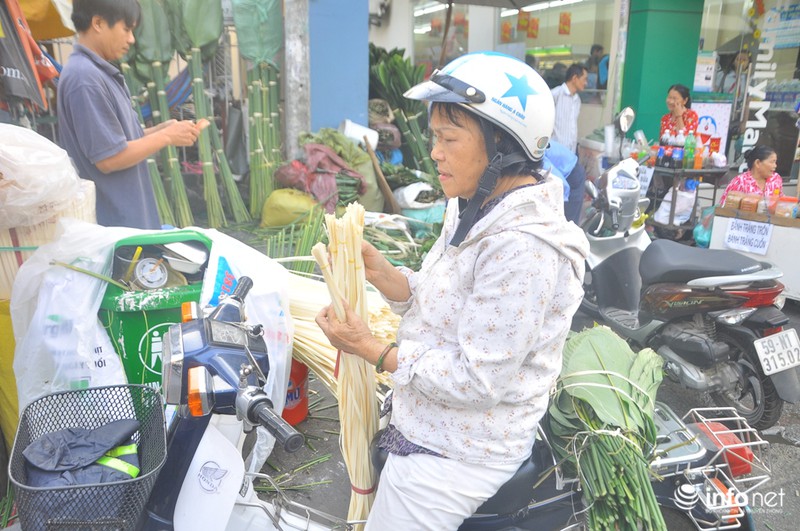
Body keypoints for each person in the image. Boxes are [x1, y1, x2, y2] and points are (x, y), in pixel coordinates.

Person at [315, 52, 588, 530]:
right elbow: (443, 298)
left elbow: (477, 380)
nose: (435, 152)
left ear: (502, 144)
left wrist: (370, 348)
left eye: (448, 138)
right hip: (427, 418)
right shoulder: (474, 203)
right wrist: (382, 273)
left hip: (465, 447)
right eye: (434, 136)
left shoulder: (524, 249)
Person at [58, 0, 201, 229]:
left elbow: (117, 140)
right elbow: (108, 159)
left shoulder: (98, 72)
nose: (131, 39)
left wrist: (160, 130)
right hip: (114, 226)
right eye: (126, 29)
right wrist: (166, 138)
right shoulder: (85, 79)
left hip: (127, 219)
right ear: (98, 23)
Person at [550, 63, 588, 223]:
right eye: (584, 79)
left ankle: (567, 223)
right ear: (574, 78)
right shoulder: (555, 94)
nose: (586, 83)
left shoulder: (577, 99)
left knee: (569, 189)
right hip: (555, 155)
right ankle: (562, 222)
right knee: (557, 190)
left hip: (570, 154)